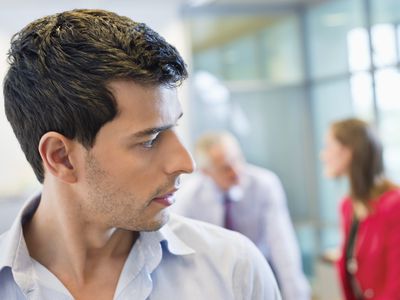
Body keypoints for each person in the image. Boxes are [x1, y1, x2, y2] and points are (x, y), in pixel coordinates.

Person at [0, 9, 282, 300]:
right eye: (150, 139)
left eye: (174, 127)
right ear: (61, 157)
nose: (186, 163)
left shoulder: (232, 269)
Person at [173, 131, 310, 300]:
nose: (236, 171)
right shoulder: (189, 197)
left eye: (237, 159)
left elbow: (282, 243)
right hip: (212, 277)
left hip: (260, 268)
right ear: (206, 172)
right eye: (225, 168)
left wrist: (296, 295)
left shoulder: (264, 184)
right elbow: (179, 248)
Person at [320, 118, 400, 300]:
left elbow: (397, 286)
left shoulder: (395, 205)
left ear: (348, 152)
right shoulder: (348, 206)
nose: (323, 155)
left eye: (328, 146)